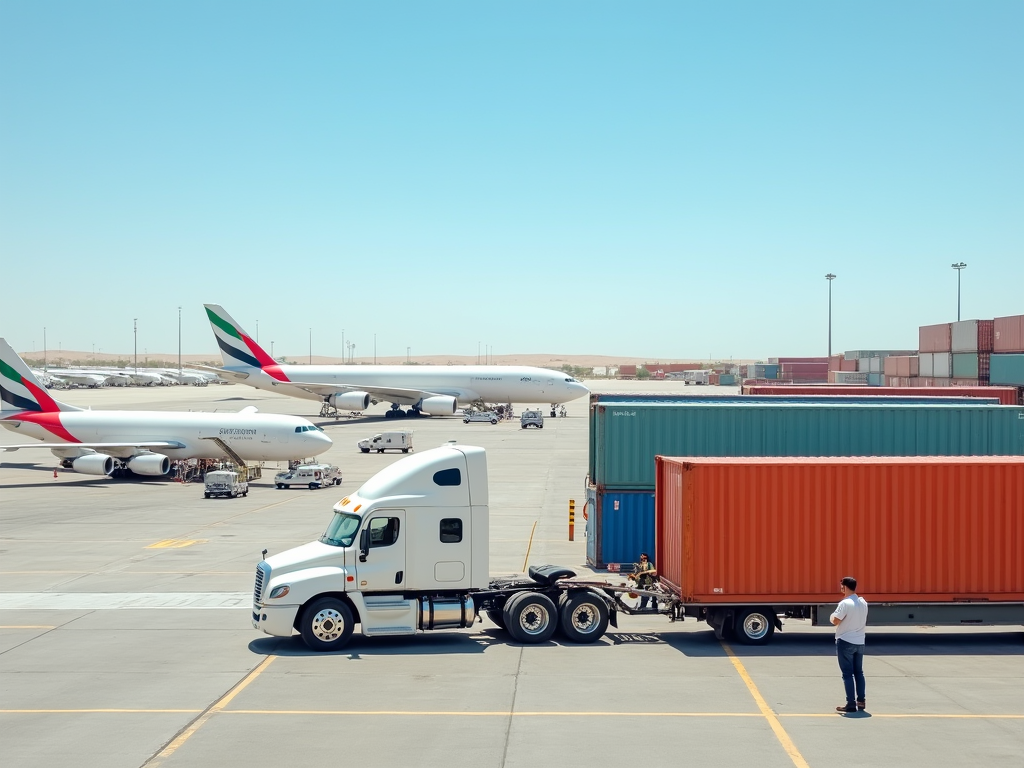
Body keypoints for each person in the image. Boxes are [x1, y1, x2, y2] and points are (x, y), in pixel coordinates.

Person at [831, 576, 868, 713]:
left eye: (841, 586)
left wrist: (832, 616)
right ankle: (861, 701)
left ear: (845, 587)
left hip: (845, 640)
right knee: (859, 672)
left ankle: (851, 703)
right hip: (860, 642)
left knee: (847, 674)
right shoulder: (863, 602)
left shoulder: (845, 603)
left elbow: (835, 620)